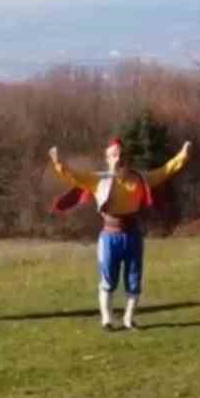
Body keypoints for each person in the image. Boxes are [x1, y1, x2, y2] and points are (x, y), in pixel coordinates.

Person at [49, 137, 191, 330]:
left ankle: (128, 318)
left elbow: (164, 171)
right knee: (108, 279)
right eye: (113, 155)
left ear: (128, 158)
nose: (118, 159)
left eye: (121, 155)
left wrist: (183, 155)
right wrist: (58, 162)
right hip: (109, 237)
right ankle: (106, 319)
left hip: (133, 236)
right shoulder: (99, 180)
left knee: (134, 279)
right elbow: (74, 176)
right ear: (107, 159)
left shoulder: (140, 179)